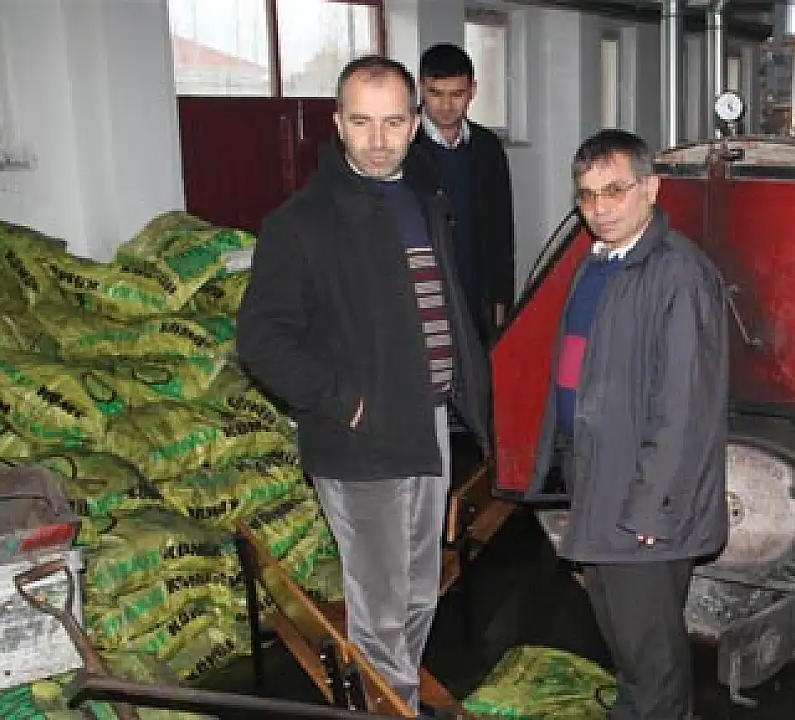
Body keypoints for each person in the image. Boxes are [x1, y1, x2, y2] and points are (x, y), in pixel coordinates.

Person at [235, 55, 490, 715]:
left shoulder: (423, 198)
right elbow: (262, 339)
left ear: (414, 123)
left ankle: (394, 700)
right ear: (337, 123)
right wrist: (346, 403)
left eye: (392, 122)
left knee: (422, 591)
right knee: (380, 608)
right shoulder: (301, 222)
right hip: (362, 440)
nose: (378, 140)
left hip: (429, 423)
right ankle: (391, 708)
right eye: (361, 122)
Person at [522, 129, 730, 719]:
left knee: (652, 660)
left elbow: (685, 409)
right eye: (587, 195)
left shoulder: (678, 275)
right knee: (626, 649)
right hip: (600, 482)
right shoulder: (598, 263)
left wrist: (652, 509)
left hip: (643, 504)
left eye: (615, 190)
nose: (600, 208)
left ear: (651, 189)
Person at [413, 42, 515, 344]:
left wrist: (502, 296)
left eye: (457, 94)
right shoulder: (404, 147)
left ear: (472, 91)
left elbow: (501, 228)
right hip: (423, 296)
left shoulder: (488, 147)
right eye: (436, 93)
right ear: (421, 88)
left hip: (477, 296)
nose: (446, 105)